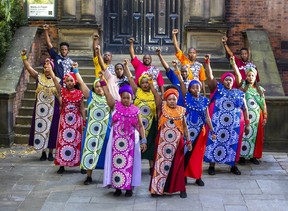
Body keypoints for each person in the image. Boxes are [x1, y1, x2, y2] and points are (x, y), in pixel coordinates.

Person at [203, 55, 250, 176]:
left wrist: (247, 123)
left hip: (233, 126)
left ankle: (233, 165)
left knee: (233, 144)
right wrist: (207, 63)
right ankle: (212, 165)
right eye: (226, 79)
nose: (228, 82)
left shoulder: (238, 93)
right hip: (217, 124)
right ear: (222, 81)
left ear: (233, 82)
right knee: (214, 143)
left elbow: (245, 108)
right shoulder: (217, 89)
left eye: (230, 80)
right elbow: (210, 76)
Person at [172, 62, 216, 186]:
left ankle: (197, 177)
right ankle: (184, 175)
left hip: (200, 132)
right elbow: (181, 82)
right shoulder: (187, 97)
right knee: (185, 153)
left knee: (198, 155)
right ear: (189, 89)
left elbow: (207, 117)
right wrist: (176, 68)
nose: (196, 89)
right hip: (188, 131)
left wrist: (212, 130)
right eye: (193, 87)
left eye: (198, 87)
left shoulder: (204, 101)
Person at [103, 83, 147, 197]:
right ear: (120, 97)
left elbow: (141, 126)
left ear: (132, 97)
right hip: (116, 142)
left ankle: (129, 188)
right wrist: (103, 82)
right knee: (117, 164)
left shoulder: (136, 110)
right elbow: (107, 94)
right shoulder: (115, 106)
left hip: (131, 143)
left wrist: (144, 140)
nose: (126, 100)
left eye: (128, 97)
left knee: (129, 164)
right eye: (124, 97)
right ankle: (117, 187)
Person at [72, 65, 114, 185]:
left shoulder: (109, 98)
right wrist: (76, 70)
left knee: (106, 152)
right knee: (90, 151)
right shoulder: (90, 96)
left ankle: (108, 177)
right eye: (97, 86)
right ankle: (89, 176)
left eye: (101, 86)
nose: (99, 88)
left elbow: (111, 104)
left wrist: (102, 80)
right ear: (94, 88)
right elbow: (81, 82)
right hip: (92, 132)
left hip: (106, 130)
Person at [149, 87, 192, 198]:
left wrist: (188, 141)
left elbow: (185, 127)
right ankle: (157, 189)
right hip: (162, 144)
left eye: (174, 99)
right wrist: (151, 84)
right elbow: (157, 97)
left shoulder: (181, 111)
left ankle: (181, 189)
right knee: (160, 166)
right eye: (169, 99)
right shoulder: (162, 108)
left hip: (177, 144)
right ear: (166, 100)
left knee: (178, 166)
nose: (172, 101)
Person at [123, 59, 161, 175]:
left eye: (147, 82)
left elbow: (159, 103)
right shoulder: (137, 91)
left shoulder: (153, 93)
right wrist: (126, 66)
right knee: (135, 146)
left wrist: (152, 85)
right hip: (136, 124)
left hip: (151, 123)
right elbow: (130, 79)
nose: (145, 84)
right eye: (143, 82)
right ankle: (134, 166)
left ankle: (151, 167)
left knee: (151, 146)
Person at [21, 49, 60, 161]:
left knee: (52, 130)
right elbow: (29, 68)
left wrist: (53, 77)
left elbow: (60, 92)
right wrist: (24, 57)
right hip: (40, 110)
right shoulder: (39, 77)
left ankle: (51, 152)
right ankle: (43, 152)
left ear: (52, 68)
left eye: (48, 66)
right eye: (45, 67)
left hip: (54, 109)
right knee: (41, 129)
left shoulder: (57, 79)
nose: (46, 68)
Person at [230, 56, 267, 165]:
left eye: (253, 75)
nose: (251, 77)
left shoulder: (260, 90)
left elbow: (263, 104)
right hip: (245, 117)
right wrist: (233, 64)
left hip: (257, 118)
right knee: (244, 136)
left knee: (255, 137)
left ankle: (253, 156)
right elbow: (237, 73)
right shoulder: (243, 86)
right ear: (246, 76)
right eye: (249, 75)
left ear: (255, 77)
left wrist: (265, 116)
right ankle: (241, 156)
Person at [50, 69, 85, 174]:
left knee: (76, 143)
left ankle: (80, 165)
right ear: (65, 82)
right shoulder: (62, 92)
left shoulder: (80, 93)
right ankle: (62, 164)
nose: (69, 83)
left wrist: (84, 120)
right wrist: (51, 70)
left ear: (75, 82)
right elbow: (55, 82)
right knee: (63, 142)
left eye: (71, 80)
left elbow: (82, 108)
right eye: (68, 81)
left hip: (76, 122)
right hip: (64, 121)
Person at [172, 29, 207, 96]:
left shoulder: (200, 65)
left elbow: (202, 80)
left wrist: (204, 93)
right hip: (186, 87)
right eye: (190, 53)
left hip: (196, 88)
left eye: (193, 53)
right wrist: (174, 35)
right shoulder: (184, 61)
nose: (192, 54)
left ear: (196, 54)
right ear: (188, 54)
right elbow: (177, 49)